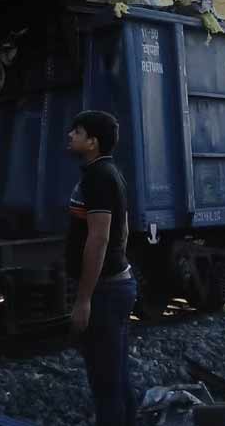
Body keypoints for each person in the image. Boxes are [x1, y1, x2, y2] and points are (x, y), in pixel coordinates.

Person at [66, 110, 137, 426]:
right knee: (115, 375)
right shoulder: (105, 172)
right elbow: (122, 228)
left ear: (92, 142)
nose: (71, 135)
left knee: (105, 382)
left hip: (105, 291)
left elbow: (99, 238)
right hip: (113, 285)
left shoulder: (99, 177)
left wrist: (84, 299)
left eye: (77, 132)